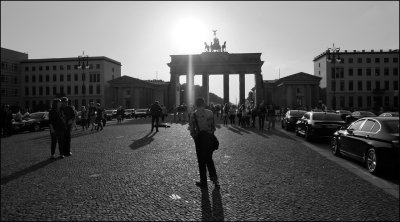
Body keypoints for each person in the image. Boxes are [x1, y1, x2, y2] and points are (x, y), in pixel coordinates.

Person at [189, 97, 219, 188]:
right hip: (209, 138)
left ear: (195, 105)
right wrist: (210, 135)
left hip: (199, 139)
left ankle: (203, 182)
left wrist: (195, 139)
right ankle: (215, 180)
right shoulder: (210, 113)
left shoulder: (193, 115)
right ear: (204, 103)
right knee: (209, 159)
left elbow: (192, 130)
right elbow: (213, 127)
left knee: (201, 161)